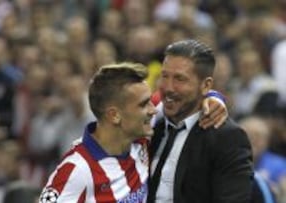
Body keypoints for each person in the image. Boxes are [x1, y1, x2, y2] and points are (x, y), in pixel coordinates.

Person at [39, 62, 228, 203]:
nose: (154, 110)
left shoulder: (138, 134)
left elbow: (186, 99)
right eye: (143, 104)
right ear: (115, 116)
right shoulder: (77, 170)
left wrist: (214, 98)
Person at [147, 39, 253, 203]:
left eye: (179, 79)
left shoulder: (227, 138)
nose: (168, 87)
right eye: (164, 76)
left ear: (205, 85)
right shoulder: (150, 124)